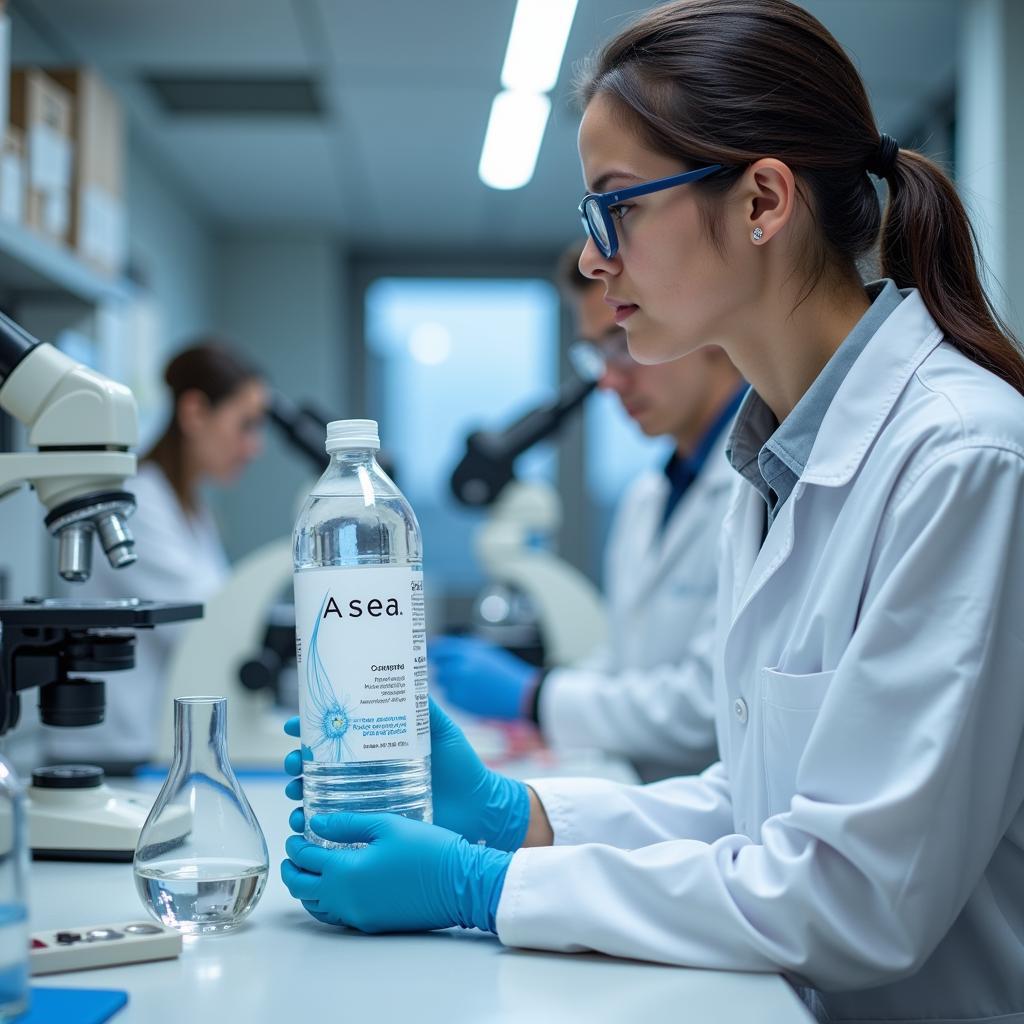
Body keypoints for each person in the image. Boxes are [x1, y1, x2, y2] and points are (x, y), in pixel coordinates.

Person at [281, 1, 1024, 1019]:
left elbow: (855, 894)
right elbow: (754, 805)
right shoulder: (774, 463)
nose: (594, 258)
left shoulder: (962, 458)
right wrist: (516, 814)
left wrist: (486, 886)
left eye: (617, 207)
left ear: (762, 201)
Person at [430, 241, 744, 779]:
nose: (606, 379)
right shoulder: (648, 498)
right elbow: (628, 662)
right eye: (594, 353)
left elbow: (711, 704)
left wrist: (534, 697)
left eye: (621, 341)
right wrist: (543, 710)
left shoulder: (762, 485)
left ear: (704, 319)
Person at [42, 340, 266, 769]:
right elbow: (207, 626)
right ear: (195, 412)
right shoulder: (138, 503)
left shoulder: (187, 505)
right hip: (110, 754)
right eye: (245, 425)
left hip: (146, 744)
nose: (254, 447)